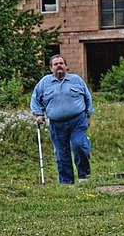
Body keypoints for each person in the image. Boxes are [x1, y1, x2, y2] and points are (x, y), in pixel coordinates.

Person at [30, 55, 93, 184]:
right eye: (55, 64)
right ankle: (66, 182)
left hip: (78, 121)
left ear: (66, 66)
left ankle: (84, 177)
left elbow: (88, 98)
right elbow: (35, 99)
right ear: (51, 68)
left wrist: (88, 115)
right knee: (61, 153)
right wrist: (38, 115)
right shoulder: (44, 83)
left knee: (79, 145)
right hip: (56, 124)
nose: (59, 66)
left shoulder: (76, 80)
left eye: (61, 63)